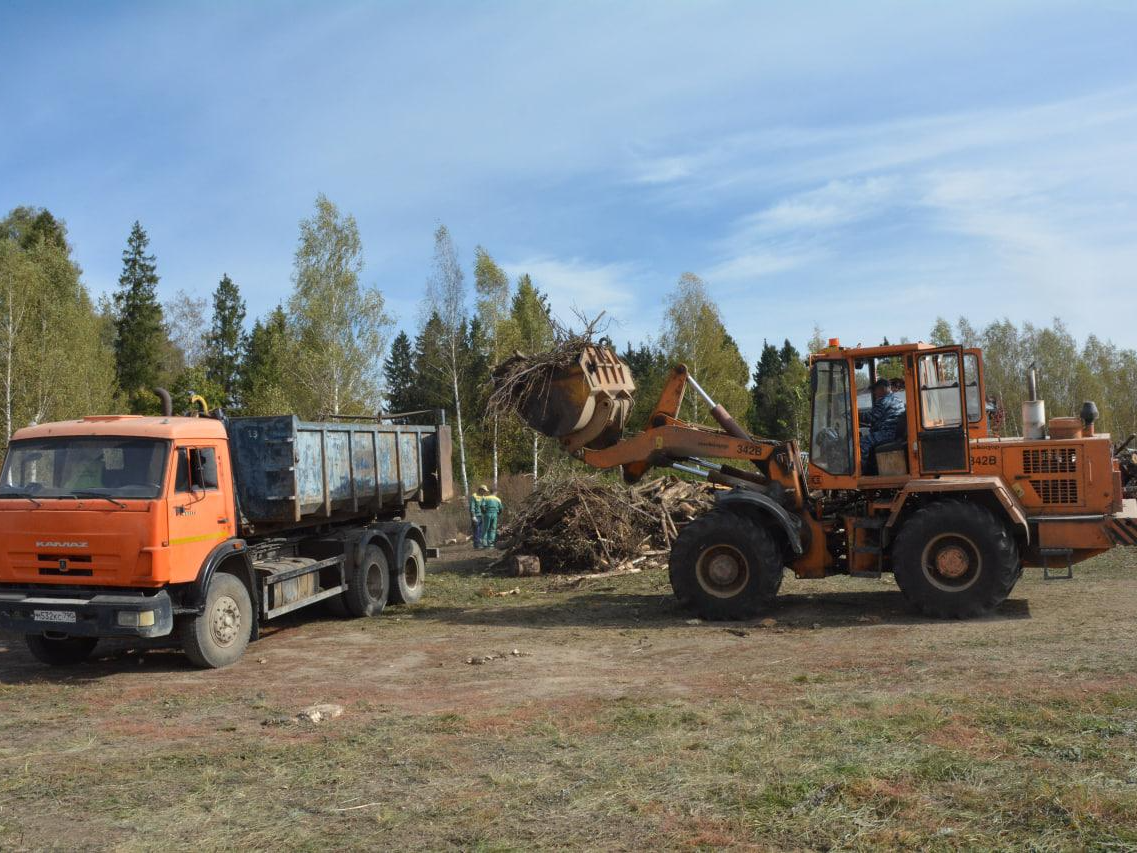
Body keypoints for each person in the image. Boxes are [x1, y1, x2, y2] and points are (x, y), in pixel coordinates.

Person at [861, 378, 906, 472]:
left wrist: (855, 415)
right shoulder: (896, 399)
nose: (874, 393)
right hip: (893, 431)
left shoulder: (884, 400)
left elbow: (871, 417)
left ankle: (860, 470)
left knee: (862, 442)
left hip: (887, 433)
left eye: (875, 390)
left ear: (883, 389)